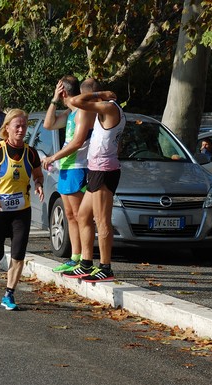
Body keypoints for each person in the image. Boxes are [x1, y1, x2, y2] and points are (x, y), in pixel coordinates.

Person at [0, 108, 44, 310]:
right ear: (7, 128)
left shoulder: (31, 153)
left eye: (24, 126)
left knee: (18, 255)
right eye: (18, 126)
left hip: (21, 210)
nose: (22, 130)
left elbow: (38, 176)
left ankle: (9, 294)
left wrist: (39, 185)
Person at [63, 83, 125, 282]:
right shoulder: (104, 112)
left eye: (87, 96)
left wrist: (99, 94)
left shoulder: (108, 107)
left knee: (102, 220)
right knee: (83, 215)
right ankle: (86, 263)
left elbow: (75, 101)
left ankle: (105, 267)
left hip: (104, 171)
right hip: (96, 169)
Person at [41, 76, 98, 273]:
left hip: (78, 167)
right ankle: (75, 257)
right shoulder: (70, 111)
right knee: (70, 215)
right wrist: (53, 101)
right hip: (65, 168)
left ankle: (85, 260)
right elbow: (48, 125)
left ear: (63, 91)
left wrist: (52, 157)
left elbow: (77, 142)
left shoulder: (83, 112)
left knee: (81, 216)